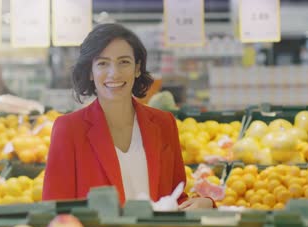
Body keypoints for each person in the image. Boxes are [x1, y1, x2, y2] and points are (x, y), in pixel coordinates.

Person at [42, 23, 214, 210]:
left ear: (137, 68)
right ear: (90, 72)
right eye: (102, 63)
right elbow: (55, 210)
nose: (114, 73)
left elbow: (173, 200)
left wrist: (204, 203)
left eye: (124, 62)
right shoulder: (69, 129)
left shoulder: (164, 124)